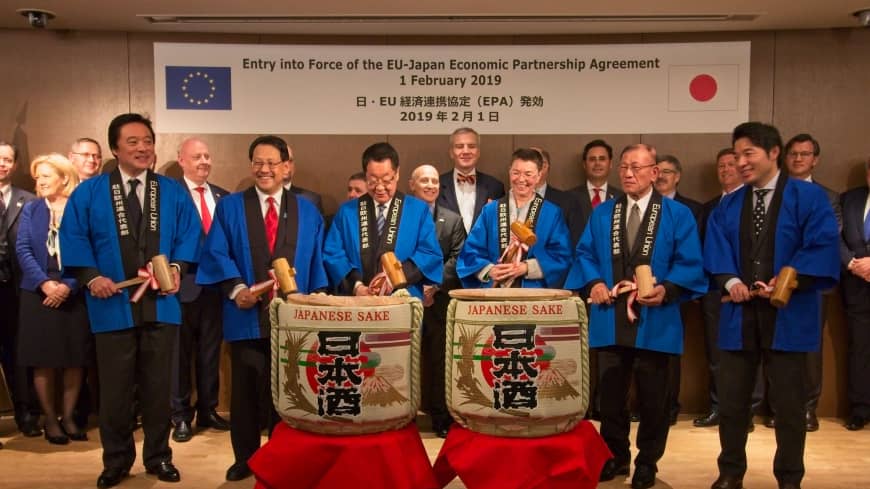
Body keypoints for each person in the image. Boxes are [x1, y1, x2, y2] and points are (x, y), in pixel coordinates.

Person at [60, 113, 201, 488]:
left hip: (162, 304)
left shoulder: (170, 191)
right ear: (115, 148)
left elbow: (189, 236)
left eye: (148, 141)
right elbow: (73, 240)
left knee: (158, 389)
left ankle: (159, 456)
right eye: (133, 142)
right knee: (116, 391)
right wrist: (92, 278)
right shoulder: (89, 193)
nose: (143, 148)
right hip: (112, 306)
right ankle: (116, 461)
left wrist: (175, 267)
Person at [704, 122, 839, 489]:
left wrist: (786, 281)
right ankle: (730, 472)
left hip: (788, 313)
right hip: (739, 313)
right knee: (732, 404)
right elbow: (716, 250)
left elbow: (822, 246)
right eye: (737, 155)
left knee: (790, 407)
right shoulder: (728, 204)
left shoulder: (808, 199)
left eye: (749, 153)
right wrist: (731, 281)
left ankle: (790, 478)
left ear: (773, 153)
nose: (741, 162)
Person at [566, 143, 705, 489]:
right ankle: (615, 455)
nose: (628, 174)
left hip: (655, 318)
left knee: (654, 397)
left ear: (654, 172)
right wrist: (595, 283)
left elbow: (689, 262)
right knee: (610, 397)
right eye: (624, 168)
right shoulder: (603, 214)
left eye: (637, 168)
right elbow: (584, 254)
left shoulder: (676, 215)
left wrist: (668, 289)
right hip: (609, 316)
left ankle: (647, 462)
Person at [197, 134, 329, 481]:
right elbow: (216, 252)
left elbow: (317, 263)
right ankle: (246, 458)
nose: (264, 169)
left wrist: (312, 301)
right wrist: (236, 288)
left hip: (292, 320)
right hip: (246, 316)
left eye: (272, 162)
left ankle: (281, 455)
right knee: (244, 390)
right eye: (258, 162)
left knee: (287, 391)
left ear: (288, 167)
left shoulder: (308, 210)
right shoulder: (230, 207)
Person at [15, 154, 90, 445]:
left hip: (73, 291)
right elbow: (22, 249)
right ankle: (49, 418)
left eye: (46, 176)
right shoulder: (32, 209)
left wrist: (68, 285)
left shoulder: (78, 208)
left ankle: (69, 417)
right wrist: (45, 284)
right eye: (38, 177)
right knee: (43, 359)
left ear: (64, 178)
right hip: (37, 292)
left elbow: (88, 249)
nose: (40, 182)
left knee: (74, 359)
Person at [694, 149, 763, 429]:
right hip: (715, 291)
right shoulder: (710, 207)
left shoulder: (757, 205)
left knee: (750, 354)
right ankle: (718, 406)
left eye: (731, 165)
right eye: (720, 165)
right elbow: (703, 250)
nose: (725, 170)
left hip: (754, 292)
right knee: (717, 353)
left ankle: (748, 411)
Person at [324, 142, 442, 300]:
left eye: (386, 180)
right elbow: (333, 253)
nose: (380, 188)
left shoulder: (417, 210)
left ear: (397, 173)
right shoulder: (347, 212)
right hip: (357, 302)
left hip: (402, 299)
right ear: (365, 175)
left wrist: (394, 277)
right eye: (372, 181)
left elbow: (429, 253)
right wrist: (356, 286)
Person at [170, 138, 230, 443]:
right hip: (182, 288)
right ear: (181, 160)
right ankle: (180, 416)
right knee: (179, 356)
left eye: (207, 156)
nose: (204, 161)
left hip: (215, 289)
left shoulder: (224, 196)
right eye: (197, 157)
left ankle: (208, 409)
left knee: (209, 354)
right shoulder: (170, 195)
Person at [781, 133, 842, 432]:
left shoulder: (828, 197)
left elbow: (825, 241)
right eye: (793, 153)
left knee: (809, 348)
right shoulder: (774, 192)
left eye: (805, 154)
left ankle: (807, 408)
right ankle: (780, 407)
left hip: (812, 283)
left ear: (815, 160)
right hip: (774, 283)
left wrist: (797, 270)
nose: (798, 159)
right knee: (776, 346)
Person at [457, 148, 572, 289]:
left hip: (534, 296)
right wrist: (489, 271)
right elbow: (470, 252)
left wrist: (527, 268)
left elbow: (562, 256)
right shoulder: (490, 210)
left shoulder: (551, 213)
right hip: (494, 296)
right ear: (509, 172)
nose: (521, 179)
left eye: (528, 174)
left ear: (539, 175)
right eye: (516, 173)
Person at [408, 163, 466, 438]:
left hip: (439, 301)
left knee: (439, 360)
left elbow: (458, 257)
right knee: (404, 358)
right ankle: (403, 416)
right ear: (411, 185)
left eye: (434, 180)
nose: (431, 185)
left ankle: (441, 418)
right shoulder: (402, 217)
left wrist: (433, 284)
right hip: (405, 297)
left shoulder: (452, 219)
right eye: (424, 181)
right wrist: (417, 286)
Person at [654, 154, 703, 425]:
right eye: (657, 171)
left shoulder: (690, 210)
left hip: (675, 291)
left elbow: (693, 253)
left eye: (668, 172)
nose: (661, 176)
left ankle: (669, 406)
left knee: (669, 351)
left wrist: (673, 285)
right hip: (640, 290)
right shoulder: (635, 208)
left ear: (678, 176)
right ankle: (647, 405)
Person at [0, 141, 41, 438]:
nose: (2, 164)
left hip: (15, 290)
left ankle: (25, 413)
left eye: (7, 159)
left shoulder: (28, 201)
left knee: (19, 353)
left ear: (14, 165)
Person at [838, 157, 870, 431]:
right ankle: (859, 409)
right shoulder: (850, 198)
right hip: (856, 284)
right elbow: (835, 236)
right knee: (859, 349)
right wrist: (851, 263)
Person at [438, 127, 505, 233]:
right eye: (459, 146)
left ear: (478, 152)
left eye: (472, 146)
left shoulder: (496, 187)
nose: (466, 151)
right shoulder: (436, 185)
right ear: (451, 153)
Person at [569, 139, 624, 245]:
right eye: (592, 159)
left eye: (602, 159)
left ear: (610, 164)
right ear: (584, 164)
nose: (597, 163)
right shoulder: (569, 198)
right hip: (579, 259)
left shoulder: (622, 197)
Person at [532, 146, 581, 238]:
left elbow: (575, 241)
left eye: (532, 162)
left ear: (545, 166)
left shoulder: (567, 201)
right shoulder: (509, 201)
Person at [280, 144, 324, 214]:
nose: (287, 165)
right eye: (282, 160)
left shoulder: (311, 200)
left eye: (290, 161)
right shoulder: (258, 198)